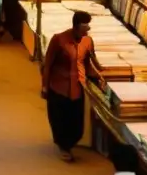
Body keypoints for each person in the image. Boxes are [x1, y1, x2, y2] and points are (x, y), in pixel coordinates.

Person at [41, 9, 106, 162]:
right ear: (76, 26)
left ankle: (70, 142)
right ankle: (64, 147)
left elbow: (89, 62)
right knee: (59, 119)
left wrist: (99, 76)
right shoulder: (58, 40)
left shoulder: (88, 41)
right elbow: (48, 65)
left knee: (77, 123)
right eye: (85, 26)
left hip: (78, 86)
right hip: (59, 86)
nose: (88, 29)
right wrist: (44, 86)